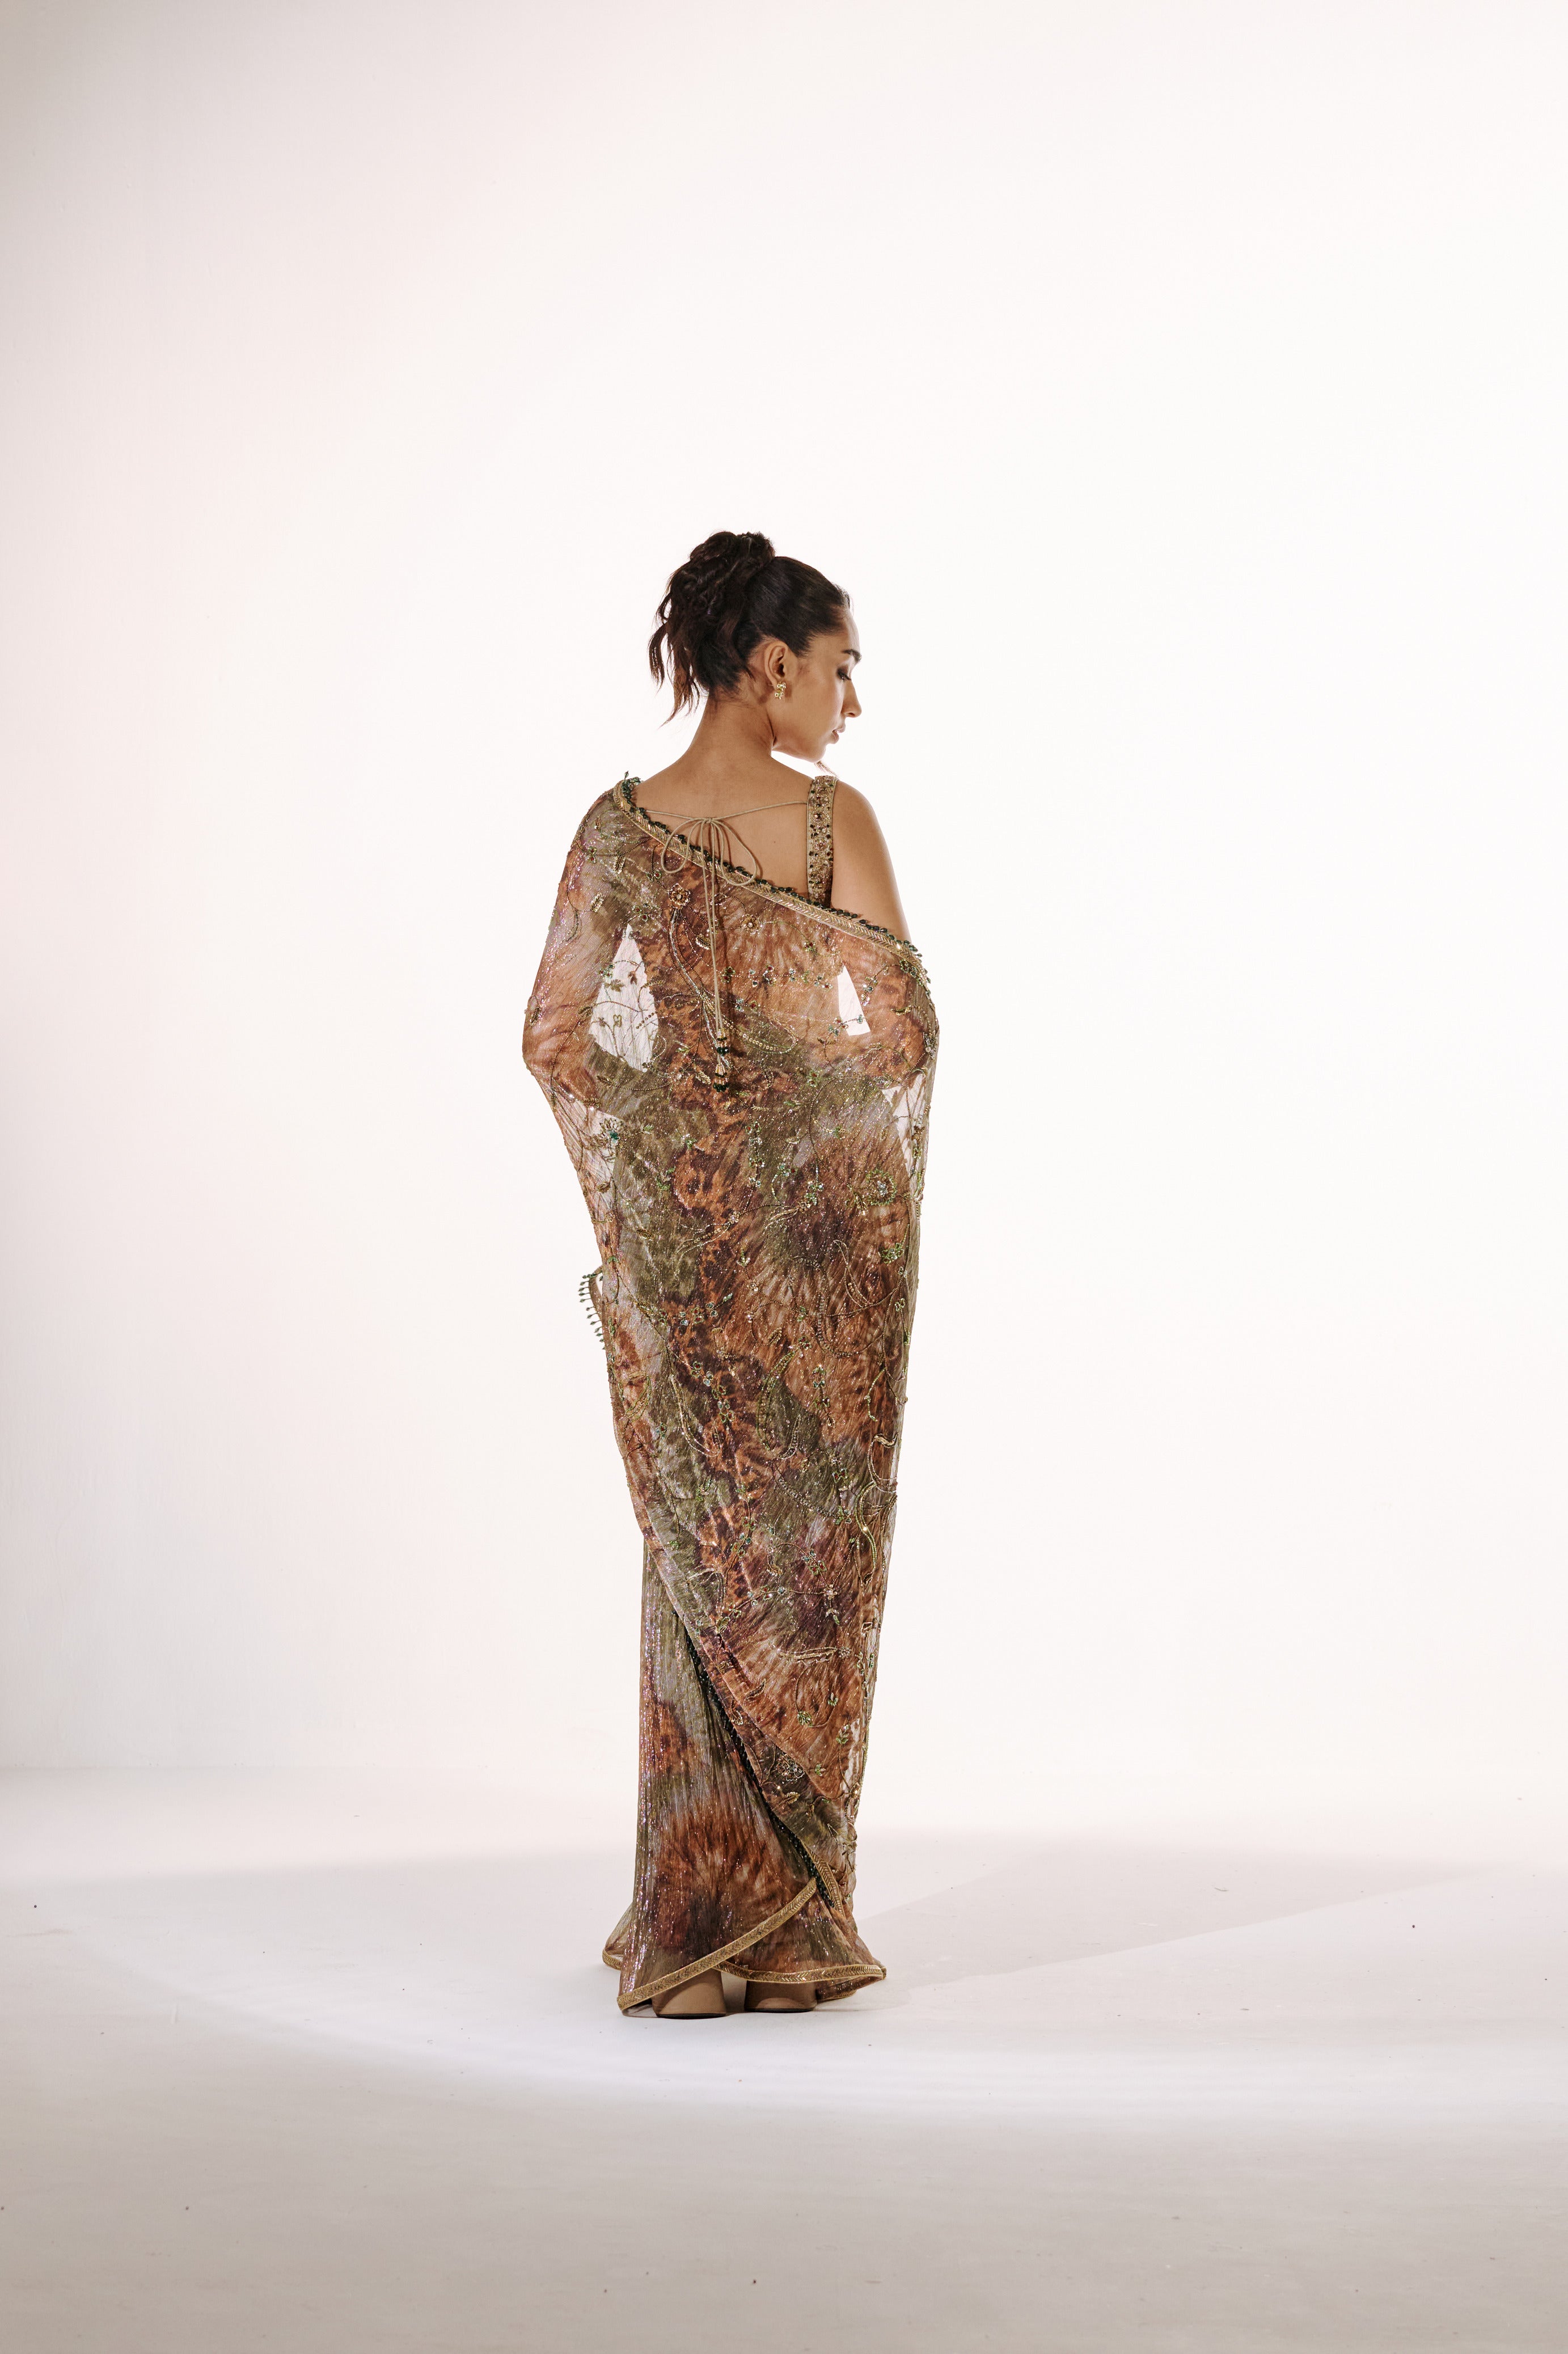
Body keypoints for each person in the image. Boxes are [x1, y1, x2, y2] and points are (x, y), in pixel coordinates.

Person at [523, 531, 936, 2017]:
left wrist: (676, 1151)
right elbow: (901, 1033)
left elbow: (560, 1040)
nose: (851, 703)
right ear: (771, 666)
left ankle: (699, 1921)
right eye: (840, 669)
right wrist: (791, 1108)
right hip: (815, 1259)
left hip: (691, 1254)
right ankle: (777, 1933)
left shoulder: (620, 829)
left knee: (701, 1560)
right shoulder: (830, 826)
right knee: (802, 1573)